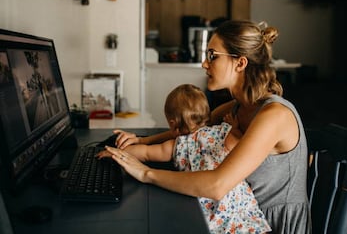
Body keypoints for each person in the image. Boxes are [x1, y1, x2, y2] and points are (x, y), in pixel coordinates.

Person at [105, 20, 311, 234]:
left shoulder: (274, 115)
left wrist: (146, 173)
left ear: (240, 63)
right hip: (236, 216)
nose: (205, 63)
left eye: (212, 55)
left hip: (268, 224)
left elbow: (217, 185)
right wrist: (142, 140)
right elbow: (195, 132)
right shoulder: (237, 106)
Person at [98, 84, 271, 234]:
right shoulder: (223, 132)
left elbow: (145, 153)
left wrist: (117, 152)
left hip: (209, 209)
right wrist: (234, 128)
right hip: (239, 206)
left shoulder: (178, 145)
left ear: (173, 124)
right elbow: (237, 144)